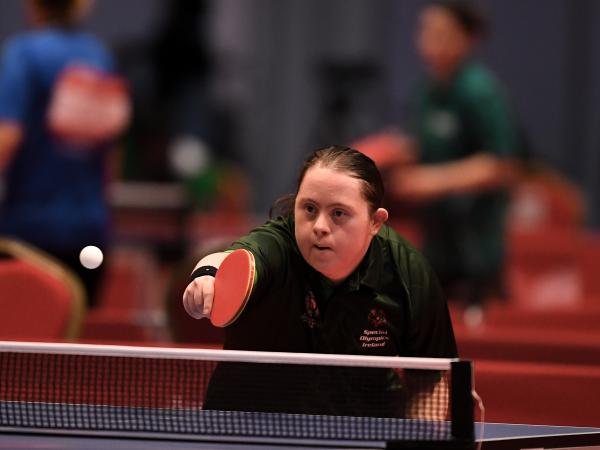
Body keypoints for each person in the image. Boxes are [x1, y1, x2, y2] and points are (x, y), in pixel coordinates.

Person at [183, 145, 457, 417]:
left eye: (338, 213)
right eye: (309, 209)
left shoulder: (409, 273)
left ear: (375, 222)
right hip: (246, 425)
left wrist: (422, 440)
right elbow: (232, 259)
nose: (319, 227)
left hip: (362, 431)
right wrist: (206, 277)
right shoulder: (277, 244)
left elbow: (428, 382)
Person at [363, 1, 520, 310]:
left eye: (441, 32)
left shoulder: (480, 91)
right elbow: (421, 143)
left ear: (467, 38)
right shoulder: (427, 90)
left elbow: (501, 165)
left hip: (474, 247)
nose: (428, 39)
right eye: (425, 30)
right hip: (436, 243)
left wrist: (432, 181)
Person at [0, 0, 125, 307]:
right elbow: (112, 152)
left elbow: (8, 136)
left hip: (28, 235)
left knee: (22, 342)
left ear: (32, 6)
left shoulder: (23, 54)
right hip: (90, 230)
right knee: (74, 345)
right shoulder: (99, 56)